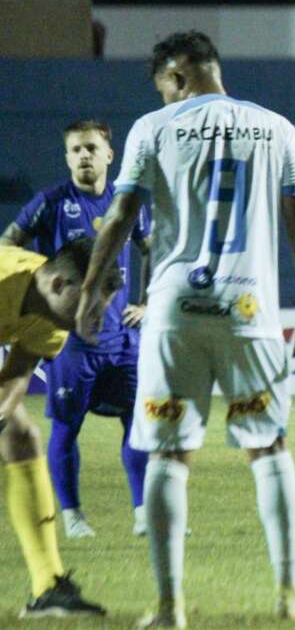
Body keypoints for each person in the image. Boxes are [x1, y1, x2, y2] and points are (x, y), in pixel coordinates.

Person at [75, 30, 295, 628]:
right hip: (249, 313)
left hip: (172, 311)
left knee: (169, 456)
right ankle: (290, 590)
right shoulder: (278, 129)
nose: (164, 97)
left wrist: (92, 287)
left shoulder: (152, 129)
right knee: (268, 448)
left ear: (177, 77)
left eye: (163, 87)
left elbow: (119, 215)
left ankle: (168, 608)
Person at [0, 120, 151, 539]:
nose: (83, 155)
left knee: (139, 423)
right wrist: (24, 283)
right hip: (69, 338)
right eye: (75, 150)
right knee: (66, 427)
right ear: (67, 158)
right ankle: (72, 517)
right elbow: (9, 240)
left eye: (90, 148)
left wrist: (147, 301)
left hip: (120, 337)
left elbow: (152, 248)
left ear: (109, 155)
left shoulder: (127, 205)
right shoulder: (50, 203)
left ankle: (143, 513)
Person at [0, 237, 120, 618]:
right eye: (94, 299)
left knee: (20, 436)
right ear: (58, 285)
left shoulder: (54, 316)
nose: (101, 312)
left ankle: (48, 586)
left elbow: (18, 371)